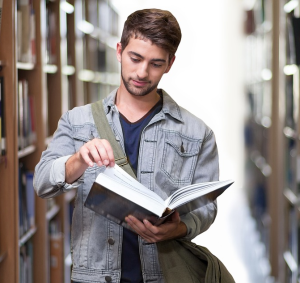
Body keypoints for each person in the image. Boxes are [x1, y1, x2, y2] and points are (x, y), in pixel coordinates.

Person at [34, 8, 219, 283]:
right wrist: (78, 160)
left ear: (170, 63)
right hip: (94, 277)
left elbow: (206, 208)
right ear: (119, 50)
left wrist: (178, 228)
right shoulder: (78, 121)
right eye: (135, 58)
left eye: (156, 63)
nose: (142, 72)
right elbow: (41, 183)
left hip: (163, 275)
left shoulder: (197, 132)